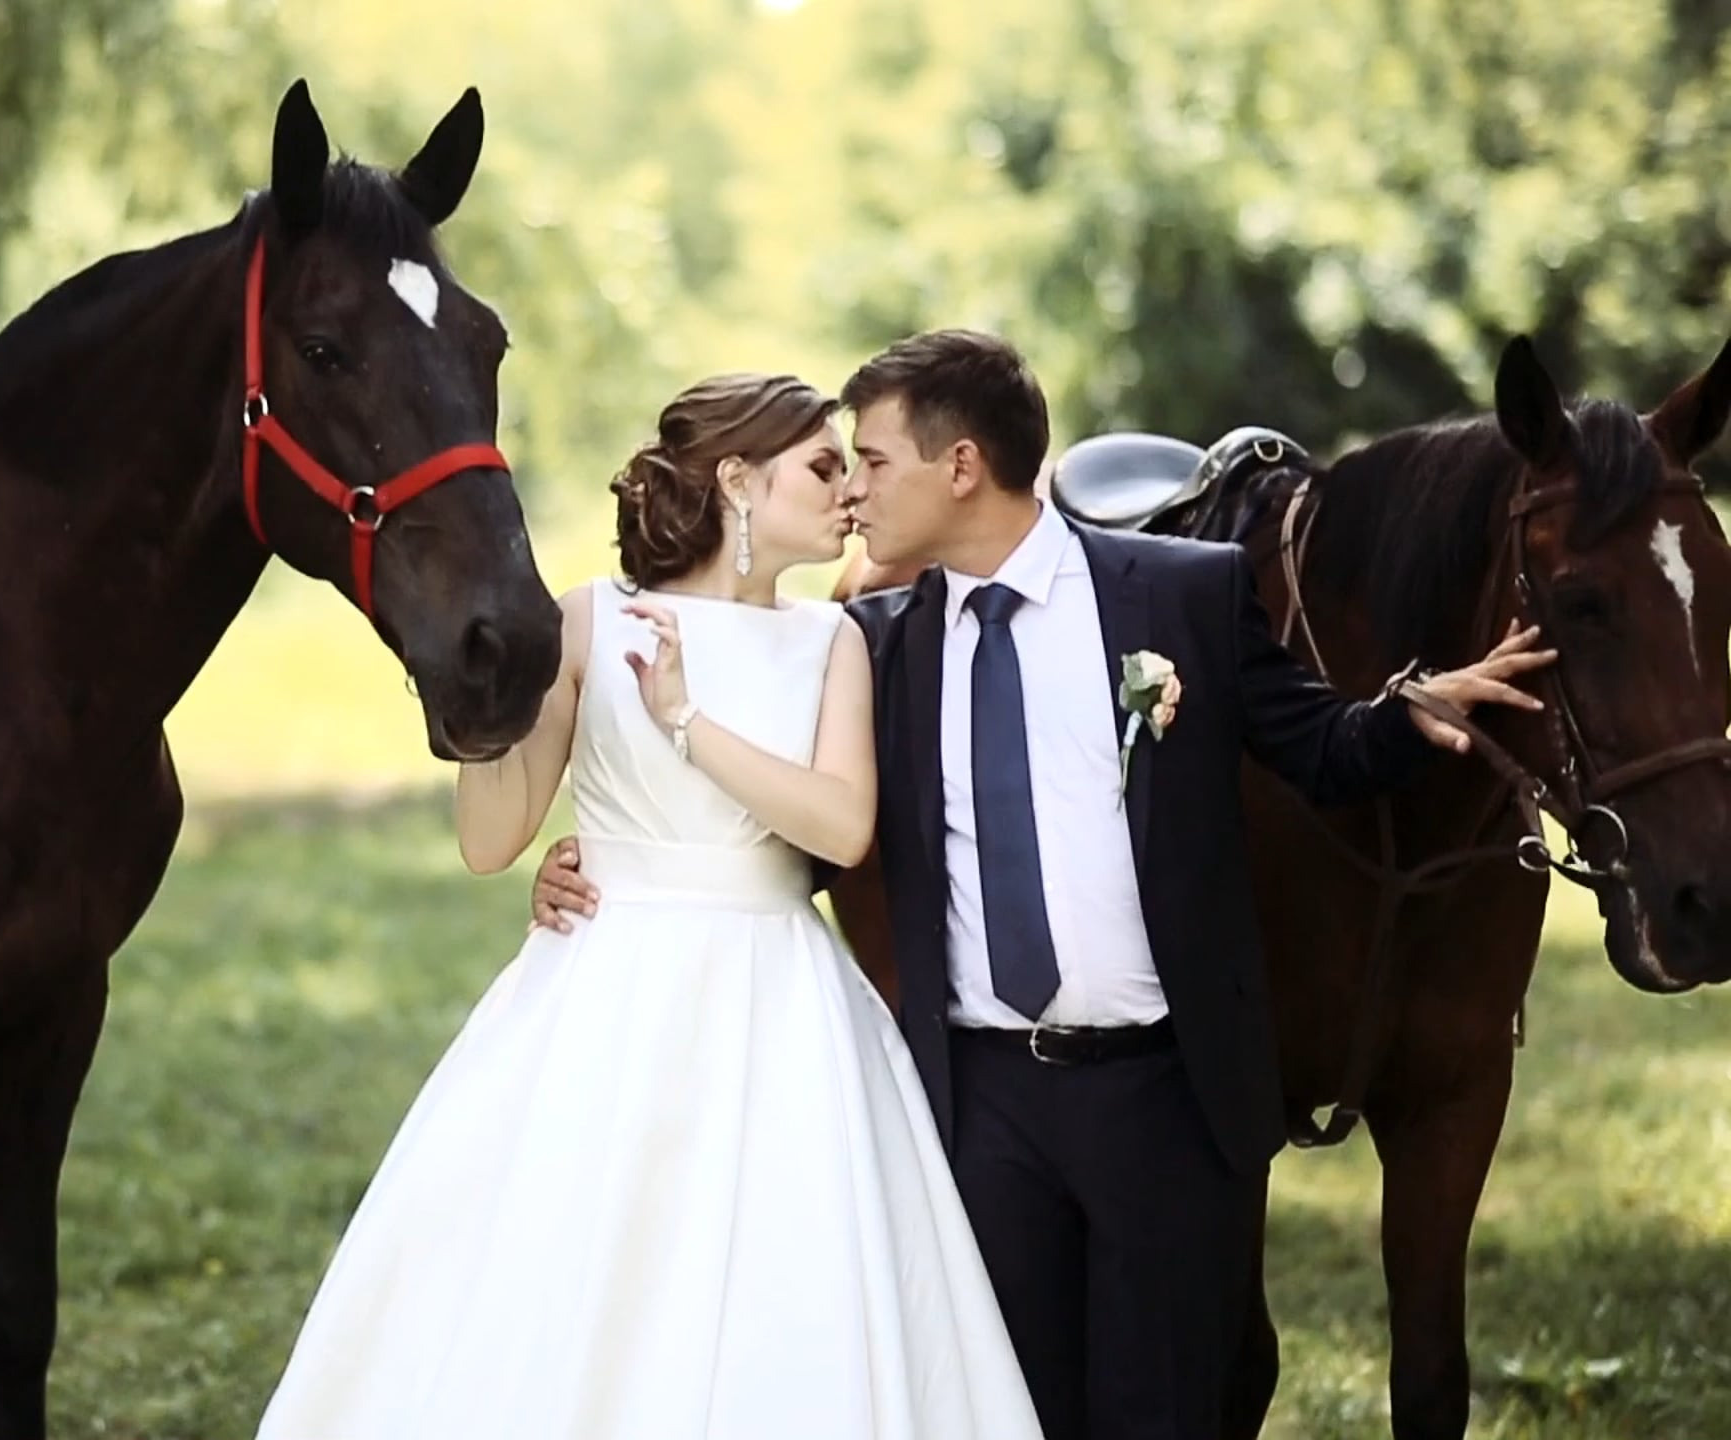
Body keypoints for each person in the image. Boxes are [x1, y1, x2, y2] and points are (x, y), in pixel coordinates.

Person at [528, 332, 1556, 1440]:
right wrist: (613, 866)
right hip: (983, 1110)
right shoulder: (872, 645)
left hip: (1166, 1097)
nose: (853, 491)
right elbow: (802, 832)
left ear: (960, 467)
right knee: (1011, 1412)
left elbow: (1318, 747)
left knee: (1173, 1412)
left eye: (872, 461)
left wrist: (1414, 711)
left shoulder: (1181, 595)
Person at [255, 373, 1045, 1440]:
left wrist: (685, 721)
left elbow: (840, 827)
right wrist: (482, 706)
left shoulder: (832, 642)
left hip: (783, 1002)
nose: (848, 491)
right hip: (606, 987)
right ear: (737, 480)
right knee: (585, 1269)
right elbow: (489, 842)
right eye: (822, 466)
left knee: (790, 1281)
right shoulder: (592, 618)